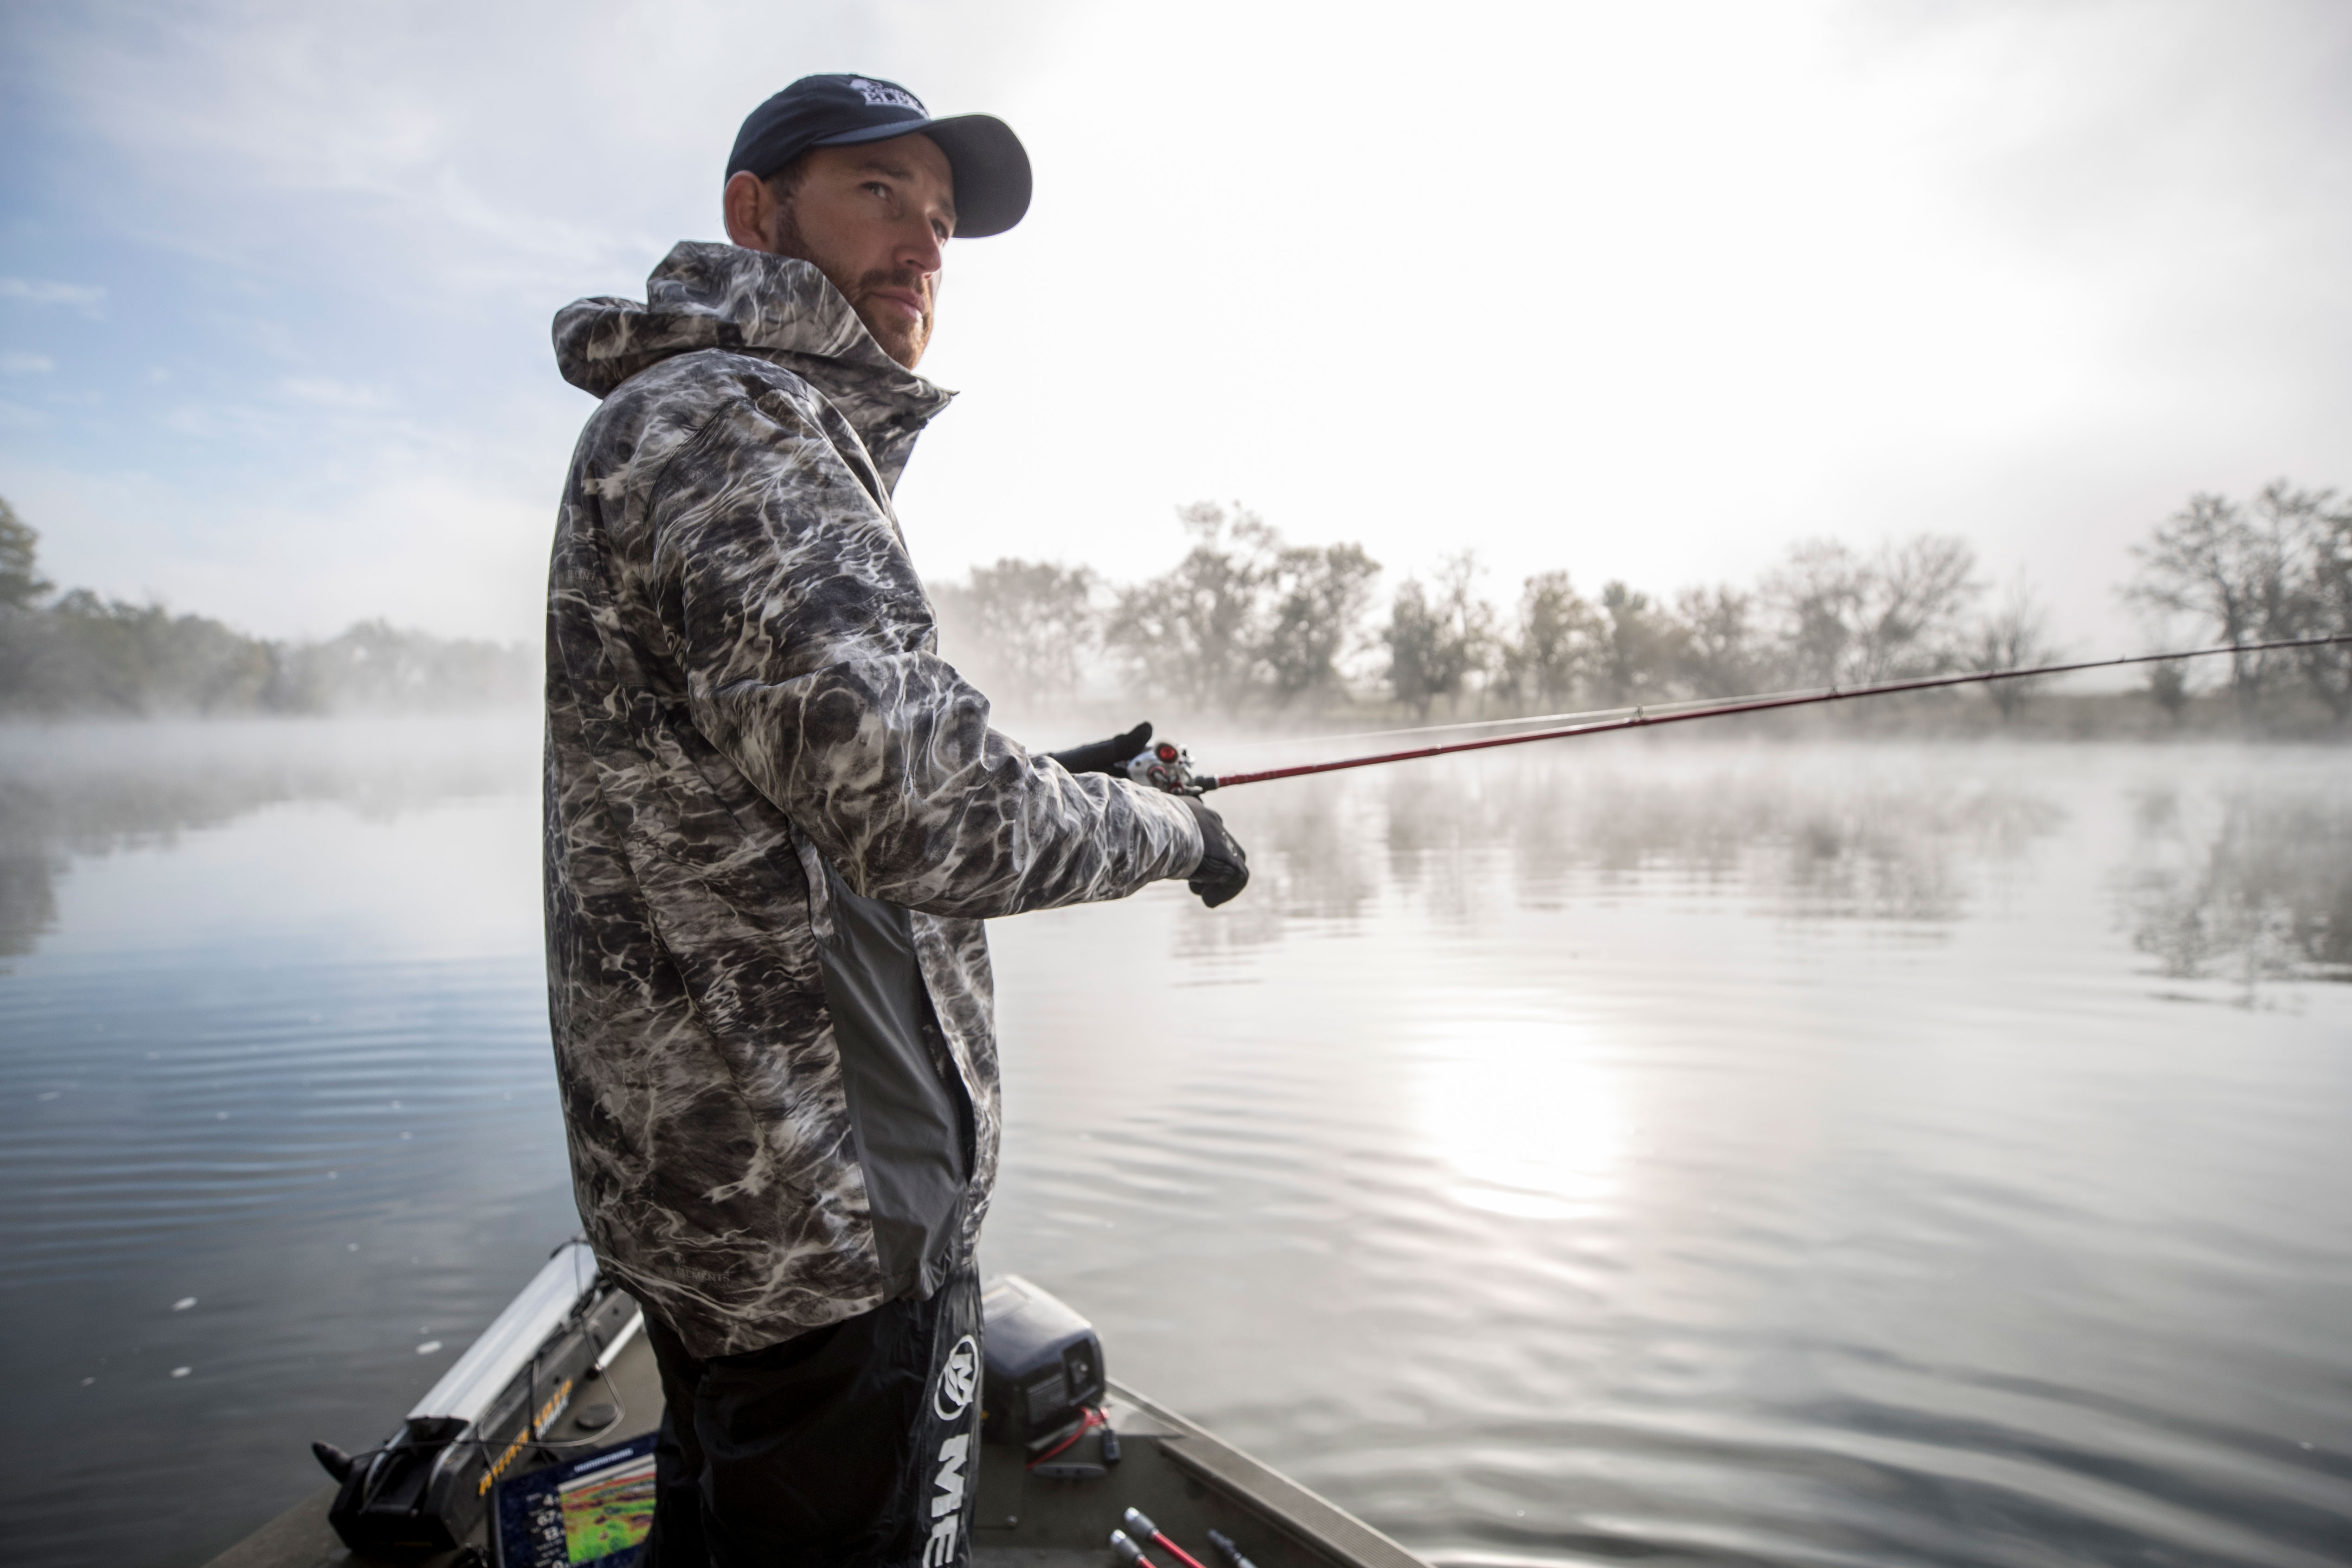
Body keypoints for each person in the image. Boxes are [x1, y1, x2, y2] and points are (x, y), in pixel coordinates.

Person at [542, 73, 1250, 1568]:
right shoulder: (742, 423)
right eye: (879, 194)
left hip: (724, 1202)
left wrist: (1064, 769)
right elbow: (929, 812)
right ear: (756, 215)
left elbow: (800, 787)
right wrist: (1167, 830)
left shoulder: (703, 419)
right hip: (822, 1228)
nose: (925, 242)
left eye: (940, 221)